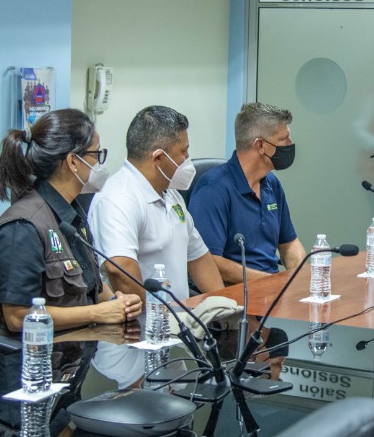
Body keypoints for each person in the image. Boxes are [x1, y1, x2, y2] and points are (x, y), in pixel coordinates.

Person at [0, 108, 142, 350]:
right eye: (97, 154)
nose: (100, 164)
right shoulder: (23, 226)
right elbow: (17, 317)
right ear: (73, 161)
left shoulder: (72, 214)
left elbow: (90, 286)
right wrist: (98, 313)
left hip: (74, 352)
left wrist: (119, 302)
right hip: (28, 362)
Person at [89, 105, 224, 304]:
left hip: (180, 319)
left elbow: (198, 256)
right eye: (184, 151)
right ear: (159, 158)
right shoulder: (118, 198)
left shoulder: (171, 193)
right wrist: (158, 317)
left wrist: (225, 305)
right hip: (144, 322)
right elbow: (120, 270)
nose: (187, 159)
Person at [188, 102, 307, 284]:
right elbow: (210, 262)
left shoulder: (272, 183)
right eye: (284, 139)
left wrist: (301, 278)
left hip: (272, 288)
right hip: (235, 294)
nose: (290, 144)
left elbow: (289, 243)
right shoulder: (213, 190)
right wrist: (272, 283)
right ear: (260, 145)